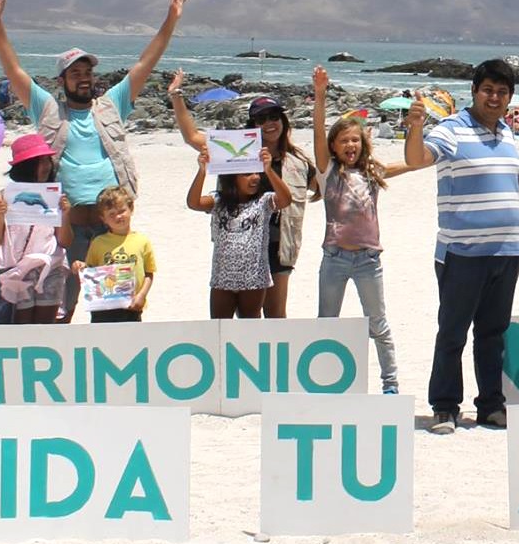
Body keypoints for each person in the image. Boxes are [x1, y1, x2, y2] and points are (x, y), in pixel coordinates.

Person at [0, 0, 185, 319]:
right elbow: (13, 70)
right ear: (62, 81)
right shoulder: (47, 109)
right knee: (63, 306)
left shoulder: (112, 104)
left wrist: (172, 18)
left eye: (88, 72)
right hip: (68, 229)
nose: (84, 78)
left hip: (112, 229)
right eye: (75, 73)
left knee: (112, 307)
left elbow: (145, 63)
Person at [404, 59, 519, 434]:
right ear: (475, 91)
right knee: (452, 332)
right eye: (488, 90)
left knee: (493, 334)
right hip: (462, 252)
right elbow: (417, 160)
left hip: (507, 252)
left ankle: (490, 406)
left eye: (502, 92)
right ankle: (445, 407)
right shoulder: (452, 130)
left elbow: (510, 180)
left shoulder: (508, 134)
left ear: (509, 97)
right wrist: (414, 128)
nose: (494, 97)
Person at [170, 72, 319, 318]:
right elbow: (192, 137)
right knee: (244, 318)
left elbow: (323, 187)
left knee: (275, 313)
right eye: (261, 119)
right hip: (241, 246)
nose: (270, 123)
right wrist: (176, 95)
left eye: (274, 117)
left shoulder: (298, 160)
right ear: (253, 125)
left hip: (279, 244)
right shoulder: (238, 152)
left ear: (283, 120)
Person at [312, 67, 409, 395]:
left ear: (363, 142)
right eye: (344, 141)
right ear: (334, 147)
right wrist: (321, 96)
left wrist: (423, 139)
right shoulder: (328, 173)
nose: (350, 144)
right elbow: (316, 131)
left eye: (355, 139)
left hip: (369, 260)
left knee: (378, 325)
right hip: (335, 259)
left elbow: (412, 162)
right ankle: (323, 384)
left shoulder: (372, 172)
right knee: (327, 325)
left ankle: (390, 385)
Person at [186, 143, 292, 319]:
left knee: (249, 327)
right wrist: (202, 171)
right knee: (219, 329)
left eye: (256, 173)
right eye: (246, 174)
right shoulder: (218, 201)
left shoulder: (263, 202)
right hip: (222, 279)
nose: (255, 178)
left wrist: (269, 170)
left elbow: (286, 199)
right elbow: (193, 203)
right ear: (232, 177)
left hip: (253, 279)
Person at [0, 133, 71, 324]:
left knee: (45, 326)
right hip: (16, 269)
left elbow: (65, 241)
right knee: (19, 326)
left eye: (47, 160)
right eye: (40, 161)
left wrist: (65, 215)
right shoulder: (3, 197)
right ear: (26, 166)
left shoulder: (55, 197)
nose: (46, 166)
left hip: (50, 267)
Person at [76, 185, 156, 323]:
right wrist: (80, 266)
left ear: (131, 209)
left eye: (122, 211)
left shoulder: (142, 241)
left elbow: (149, 273)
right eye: (111, 214)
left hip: (131, 306)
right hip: (102, 307)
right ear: (103, 219)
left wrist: (141, 295)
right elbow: (90, 270)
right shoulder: (98, 242)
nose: (118, 216)